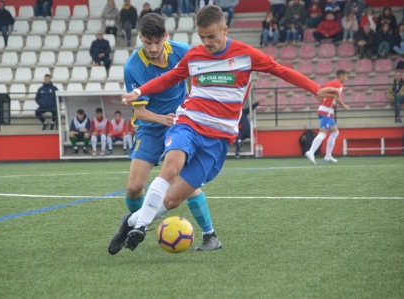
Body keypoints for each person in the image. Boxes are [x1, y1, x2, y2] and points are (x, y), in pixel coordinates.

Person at [110, 5, 340, 252]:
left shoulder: (246, 55)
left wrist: (315, 89)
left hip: (218, 138)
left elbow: (280, 70)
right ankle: (141, 226)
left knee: (173, 200)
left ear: (224, 30)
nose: (207, 43)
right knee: (170, 166)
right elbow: (170, 78)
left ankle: (131, 221)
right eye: (202, 37)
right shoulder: (194, 55)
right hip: (188, 122)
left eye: (211, 36)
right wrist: (138, 91)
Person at [107, 13, 223, 255]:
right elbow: (141, 111)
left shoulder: (181, 51)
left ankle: (210, 234)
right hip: (150, 127)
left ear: (166, 37)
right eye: (147, 42)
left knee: (185, 182)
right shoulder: (133, 67)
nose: (153, 48)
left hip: (181, 126)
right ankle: (136, 222)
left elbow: (202, 71)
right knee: (134, 187)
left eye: (157, 42)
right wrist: (163, 119)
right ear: (140, 38)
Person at [305, 70, 350, 165]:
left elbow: (317, 93)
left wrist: (323, 103)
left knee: (335, 132)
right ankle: (311, 152)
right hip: (327, 112)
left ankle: (328, 155)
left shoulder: (330, 83)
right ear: (341, 76)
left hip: (325, 111)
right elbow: (337, 98)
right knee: (323, 134)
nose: (346, 79)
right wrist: (344, 106)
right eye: (346, 77)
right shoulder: (339, 85)